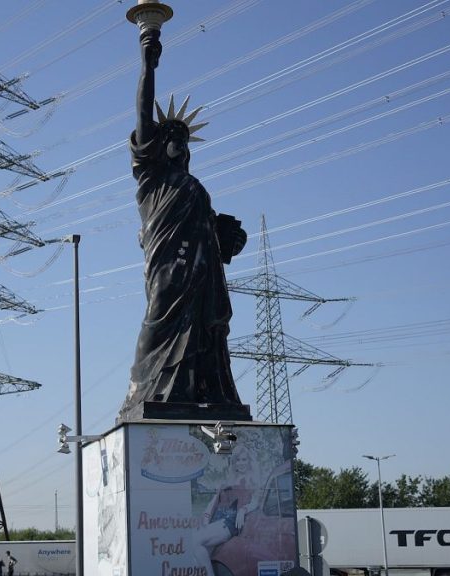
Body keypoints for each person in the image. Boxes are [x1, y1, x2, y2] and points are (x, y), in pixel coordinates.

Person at [119, 23, 248, 422]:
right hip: (168, 269)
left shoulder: (196, 187)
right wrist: (148, 65)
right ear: (157, 144)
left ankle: (200, 392)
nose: (178, 140)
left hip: (203, 273)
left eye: (183, 136)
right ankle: (146, 390)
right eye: (170, 134)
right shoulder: (152, 178)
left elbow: (213, 235)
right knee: (158, 321)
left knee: (207, 334)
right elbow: (143, 112)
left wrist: (229, 238)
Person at [191, 444, 263, 574]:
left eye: (244, 459)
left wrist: (243, 510)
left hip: (230, 521)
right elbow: (216, 498)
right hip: (217, 518)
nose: (241, 463)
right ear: (234, 462)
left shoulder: (252, 479)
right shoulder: (231, 478)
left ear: (249, 461)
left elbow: (256, 501)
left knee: (194, 540)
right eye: (238, 460)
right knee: (200, 553)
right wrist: (206, 514)